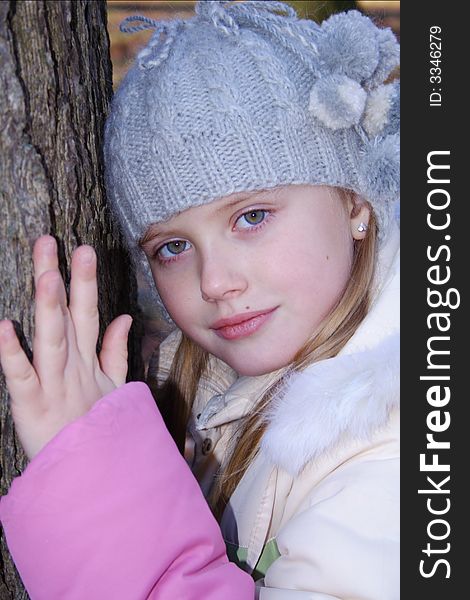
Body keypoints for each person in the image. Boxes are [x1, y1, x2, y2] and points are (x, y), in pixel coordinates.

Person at [0, 1, 400, 598]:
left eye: (252, 216)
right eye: (172, 248)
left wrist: (97, 489)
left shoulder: (396, 443)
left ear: (355, 203)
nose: (214, 282)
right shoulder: (214, 397)